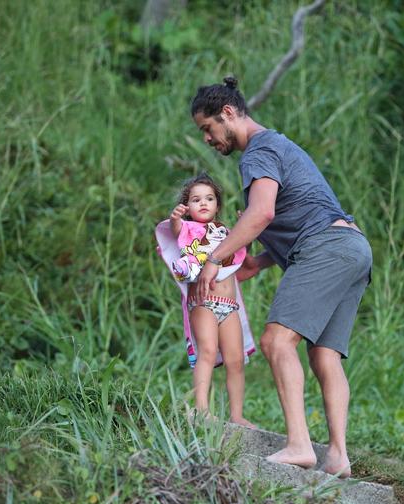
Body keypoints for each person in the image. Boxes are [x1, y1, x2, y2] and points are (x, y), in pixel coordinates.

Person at [189, 76, 372, 478]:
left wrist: (214, 259)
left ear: (229, 114)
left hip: (325, 248)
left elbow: (262, 214)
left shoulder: (256, 152)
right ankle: (338, 455)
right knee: (324, 355)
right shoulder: (278, 144)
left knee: (276, 340)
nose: (207, 139)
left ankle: (299, 446)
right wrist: (259, 260)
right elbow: (302, 212)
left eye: (208, 128)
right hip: (353, 247)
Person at [155, 173, 257, 428]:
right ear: (187, 206)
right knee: (208, 352)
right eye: (196, 199)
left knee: (235, 359)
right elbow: (176, 231)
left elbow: (241, 260)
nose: (203, 203)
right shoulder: (188, 229)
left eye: (209, 198)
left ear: (217, 204)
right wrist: (177, 218)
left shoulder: (226, 234)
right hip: (203, 303)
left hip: (229, 306)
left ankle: (237, 415)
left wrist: (245, 226)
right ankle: (202, 408)